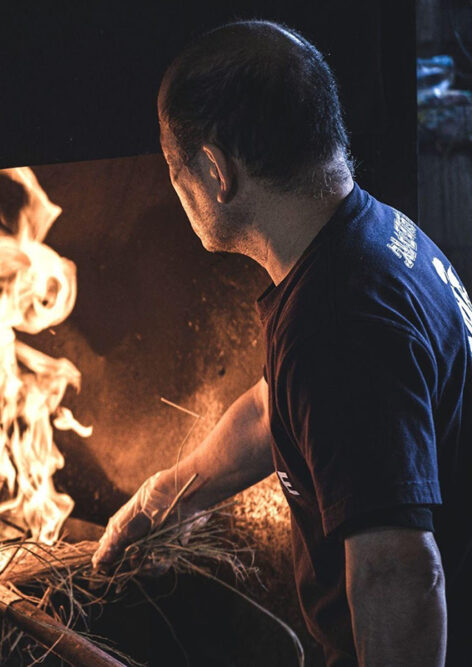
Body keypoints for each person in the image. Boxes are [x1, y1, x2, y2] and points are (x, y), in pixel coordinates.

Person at [92, 20, 471, 667]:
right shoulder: (365, 236)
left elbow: (400, 574)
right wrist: (172, 493)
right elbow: (280, 408)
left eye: (173, 167)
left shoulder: (338, 322)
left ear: (214, 172)